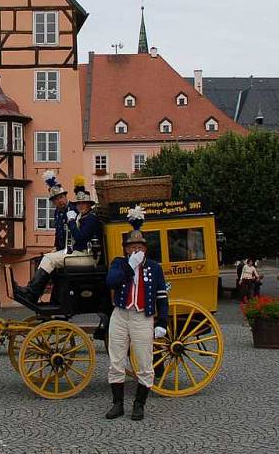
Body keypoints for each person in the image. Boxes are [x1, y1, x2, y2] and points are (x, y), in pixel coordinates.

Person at [105, 206, 168, 421]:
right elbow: (110, 282)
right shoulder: (119, 263)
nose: (135, 250)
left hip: (143, 317)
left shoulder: (154, 268)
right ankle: (117, 404)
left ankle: (139, 404)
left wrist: (163, 323)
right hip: (120, 315)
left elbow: (162, 296)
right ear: (126, 249)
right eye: (131, 247)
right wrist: (128, 268)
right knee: (116, 361)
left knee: (144, 362)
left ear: (145, 249)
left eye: (139, 247)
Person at [14, 173, 102, 304]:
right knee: (49, 261)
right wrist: (56, 248)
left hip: (82, 253)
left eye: (61, 197)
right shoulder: (60, 212)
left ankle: (32, 293)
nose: (59, 201)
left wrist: (71, 221)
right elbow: (59, 232)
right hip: (71, 250)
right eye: (56, 199)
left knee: (49, 260)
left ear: (66, 197)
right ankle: (51, 297)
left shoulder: (81, 214)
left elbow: (79, 236)